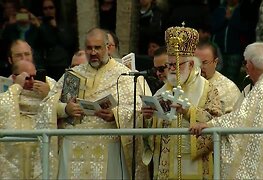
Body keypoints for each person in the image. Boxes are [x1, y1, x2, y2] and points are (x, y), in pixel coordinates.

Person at [190, 42, 263, 179]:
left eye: (245, 63)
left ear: (250, 64)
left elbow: (241, 118)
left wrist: (210, 125)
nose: (246, 67)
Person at [43, 28, 149, 179]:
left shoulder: (124, 74)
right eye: (89, 48)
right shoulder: (73, 73)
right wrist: (65, 109)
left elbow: (140, 109)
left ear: (108, 47)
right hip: (73, 145)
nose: (93, 52)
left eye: (97, 47)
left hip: (109, 147)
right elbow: (47, 105)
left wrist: (116, 115)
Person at [141, 26, 222, 179]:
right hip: (167, 161)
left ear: (191, 64)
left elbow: (217, 121)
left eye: (176, 65)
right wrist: (148, 117)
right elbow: (151, 135)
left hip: (196, 161)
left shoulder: (208, 89)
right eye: (169, 65)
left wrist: (188, 111)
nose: (171, 69)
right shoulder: (162, 91)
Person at [0, 60, 57, 179]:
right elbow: (3, 107)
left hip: (40, 150)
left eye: (34, 76)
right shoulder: (8, 95)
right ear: (15, 77)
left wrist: (48, 94)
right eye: (27, 77)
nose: (32, 81)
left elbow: (59, 106)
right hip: (17, 156)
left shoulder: (49, 88)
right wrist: (17, 87)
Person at [195, 41, 240, 114]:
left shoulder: (229, 89)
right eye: (196, 62)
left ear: (215, 62)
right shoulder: (184, 82)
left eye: (204, 63)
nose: (199, 67)